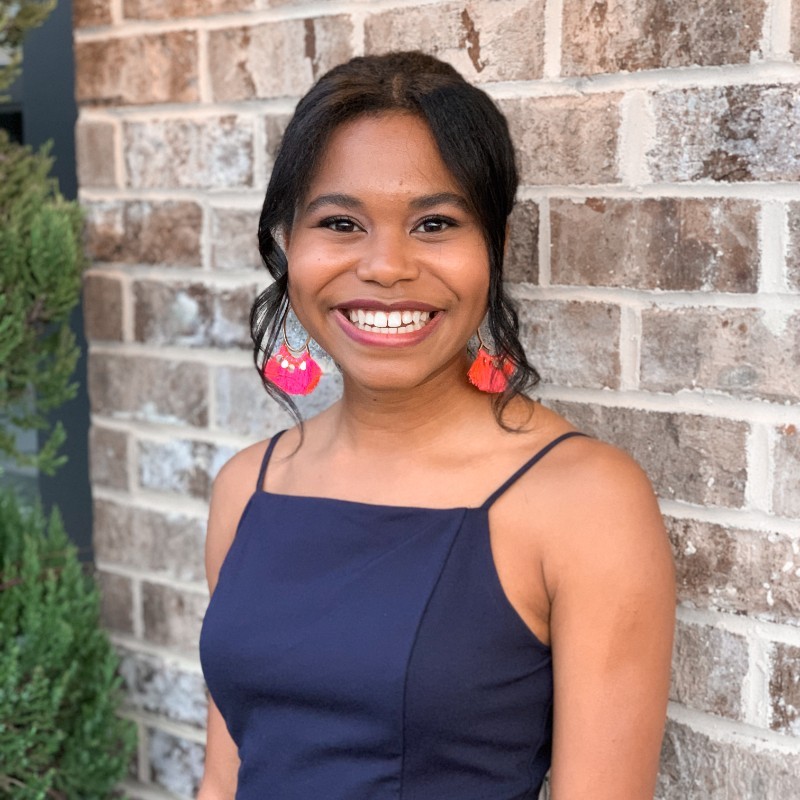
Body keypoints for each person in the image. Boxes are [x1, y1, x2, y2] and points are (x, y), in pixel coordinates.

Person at [198, 51, 675, 800]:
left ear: (496, 248)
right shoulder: (247, 488)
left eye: (435, 223)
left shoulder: (585, 501)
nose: (386, 266)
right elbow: (223, 778)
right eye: (341, 222)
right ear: (289, 242)